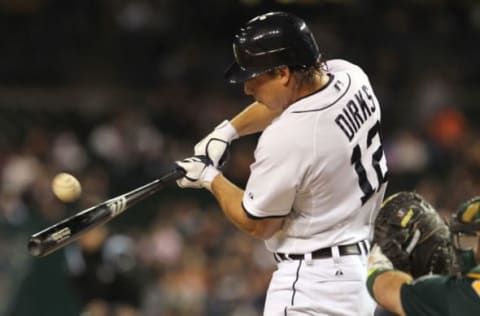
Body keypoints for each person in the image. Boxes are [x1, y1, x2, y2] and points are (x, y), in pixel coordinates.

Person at [175, 11, 388, 315]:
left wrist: (210, 178)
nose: (247, 89)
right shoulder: (351, 77)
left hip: (313, 287)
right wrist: (227, 131)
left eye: (254, 79)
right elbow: (286, 103)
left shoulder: (289, 137)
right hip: (357, 277)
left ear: (283, 73)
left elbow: (259, 223)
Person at [367, 196, 480, 316]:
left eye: (468, 241)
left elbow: (384, 287)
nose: (460, 251)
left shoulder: (465, 294)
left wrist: (379, 256)